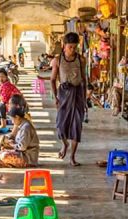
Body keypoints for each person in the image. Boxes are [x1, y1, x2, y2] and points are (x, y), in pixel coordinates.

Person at [51, 32, 87, 166]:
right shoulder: (57, 60)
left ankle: (72, 157)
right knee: (61, 124)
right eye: (70, 47)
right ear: (64, 46)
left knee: (76, 125)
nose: (72, 50)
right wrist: (55, 98)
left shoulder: (81, 60)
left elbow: (84, 79)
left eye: (74, 47)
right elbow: (53, 80)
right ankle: (64, 145)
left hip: (77, 94)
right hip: (63, 94)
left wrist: (84, 98)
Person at [0, 94, 40, 168]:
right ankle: (0, 161)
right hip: (22, 153)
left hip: (28, 158)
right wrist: (7, 142)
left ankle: (1, 161)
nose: (12, 122)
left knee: (4, 156)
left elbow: (22, 147)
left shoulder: (26, 127)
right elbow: (13, 137)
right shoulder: (22, 123)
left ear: (17, 117)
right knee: (2, 150)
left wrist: (11, 144)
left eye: (12, 120)